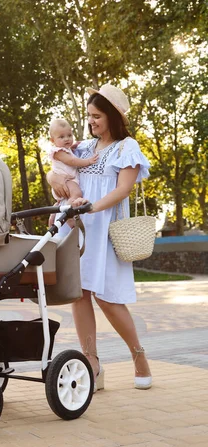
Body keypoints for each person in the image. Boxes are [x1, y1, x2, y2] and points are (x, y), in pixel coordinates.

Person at [47, 83, 152, 392]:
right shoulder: (81, 149)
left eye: (96, 116)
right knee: (78, 294)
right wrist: (55, 179)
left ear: (112, 117)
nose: (90, 122)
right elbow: (55, 171)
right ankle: (92, 363)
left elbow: (123, 190)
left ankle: (138, 355)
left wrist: (92, 207)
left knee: (108, 298)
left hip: (104, 227)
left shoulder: (126, 147)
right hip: (76, 228)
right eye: (89, 116)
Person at [48, 118, 98, 204]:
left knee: (60, 202)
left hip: (68, 180)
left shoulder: (66, 150)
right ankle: (70, 213)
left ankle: (54, 214)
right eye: (62, 137)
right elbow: (72, 161)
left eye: (69, 135)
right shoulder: (58, 152)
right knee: (77, 194)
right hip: (66, 181)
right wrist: (88, 161)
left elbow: (69, 155)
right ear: (53, 140)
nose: (66, 139)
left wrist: (72, 147)